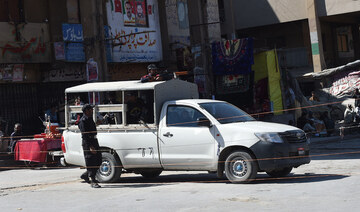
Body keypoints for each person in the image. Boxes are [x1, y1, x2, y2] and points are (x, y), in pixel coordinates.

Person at [78, 104, 102, 188]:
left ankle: (86, 174)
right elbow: (85, 135)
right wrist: (90, 146)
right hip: (88, 142)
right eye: (90, 109)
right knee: (91, 161)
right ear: (86, 111)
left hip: (94, 140)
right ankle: (93, 180)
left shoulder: (90, 119)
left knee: (98, 160)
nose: (92, 111)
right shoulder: (83, 121)